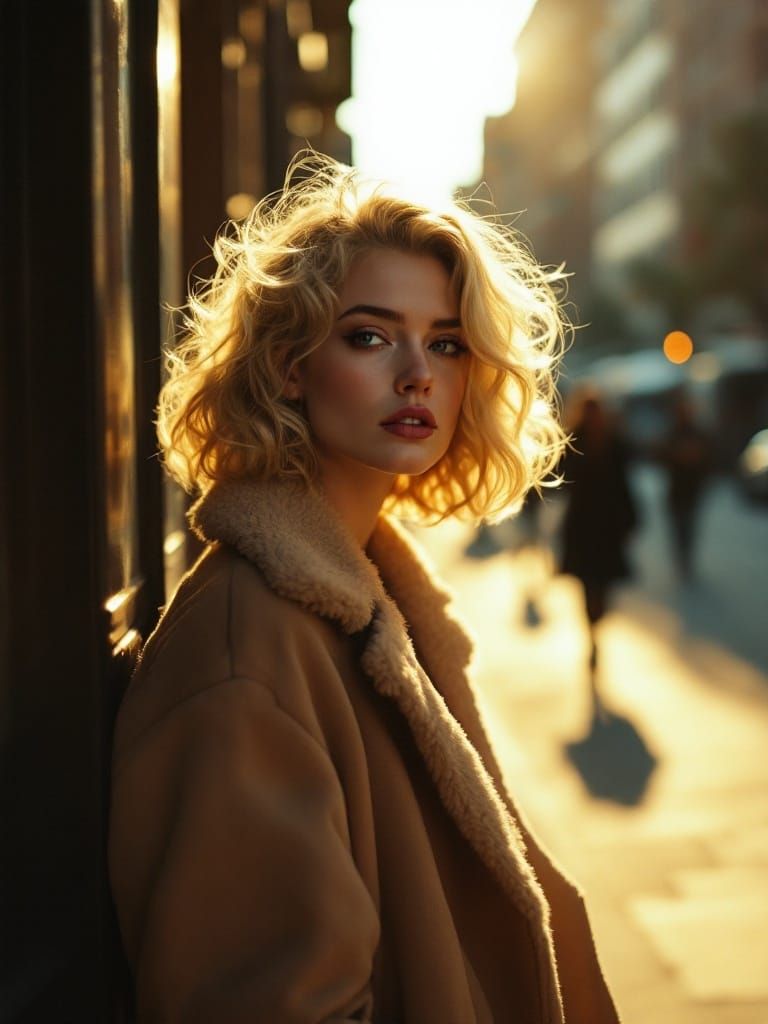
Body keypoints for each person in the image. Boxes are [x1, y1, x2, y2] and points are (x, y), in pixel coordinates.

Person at [108, 154, 620, 1023]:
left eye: (447, 343)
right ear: (288, 366)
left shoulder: (372, 600)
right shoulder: (248, 657)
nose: (418, 373)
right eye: (370, 336)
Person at [558, 392, 637, 693]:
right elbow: (561, 476)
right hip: (582, 527)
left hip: (608, 527)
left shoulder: (615, 444)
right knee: (585, 584)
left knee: (603, 585)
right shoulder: (573, 443)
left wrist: (630, 519)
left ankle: (597, 622)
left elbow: (624, 482)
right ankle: (591, 637)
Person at [658, 392, 713, 581]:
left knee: (688, 526)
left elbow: (708, 459)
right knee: (679, 527)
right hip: (676, 490)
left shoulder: (697, 433)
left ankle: (686, 559)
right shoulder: (672, 433)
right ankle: (681, 559)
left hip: (691, 490)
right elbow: (662, 457)